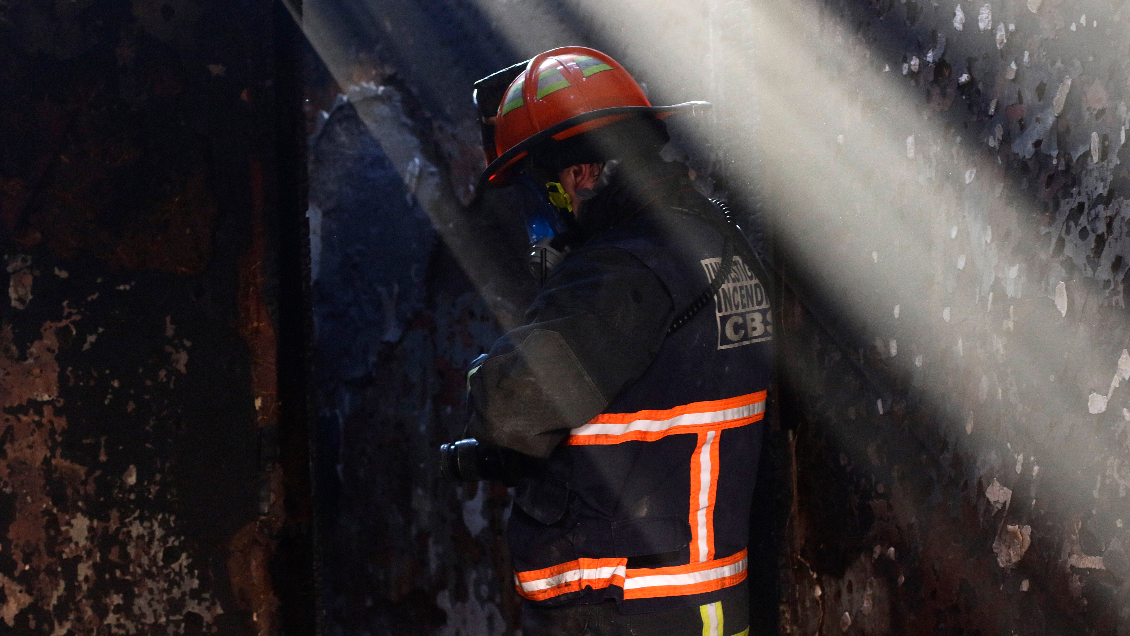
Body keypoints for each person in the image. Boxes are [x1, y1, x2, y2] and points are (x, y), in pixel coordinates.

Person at [464, 46, 773, 636]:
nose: (547, 211)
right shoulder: (717, 240)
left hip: (625, 609)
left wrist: (484, 375)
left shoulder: (620, 270)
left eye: (543, 189)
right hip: (701, 602)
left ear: (581, 175)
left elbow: (512, 405)